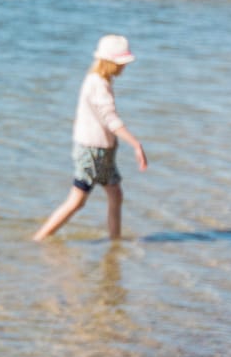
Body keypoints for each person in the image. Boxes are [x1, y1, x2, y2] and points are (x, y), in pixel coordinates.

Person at [34, 33, 149, 242]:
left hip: (102, 151)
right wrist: (136, 144)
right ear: (109, 62)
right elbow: (110, 119)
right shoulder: (98, 84)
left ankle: (115, 242)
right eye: (121, 63)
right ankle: (40, 238)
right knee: (77, 200)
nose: (124, 67)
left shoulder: (98, 80)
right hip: (92, 152)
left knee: (115, 195)